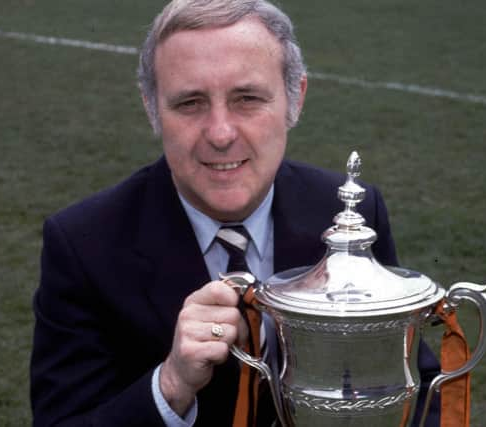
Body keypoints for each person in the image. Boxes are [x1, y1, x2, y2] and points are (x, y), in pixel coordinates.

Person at [30, 0, 440, 426]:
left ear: (295, 98)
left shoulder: (349, 211)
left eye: (247, 98)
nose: (221, 134)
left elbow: (414, 381)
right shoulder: (84, 244)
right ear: (152, 108)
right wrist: (170, 386)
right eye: (190, 103)